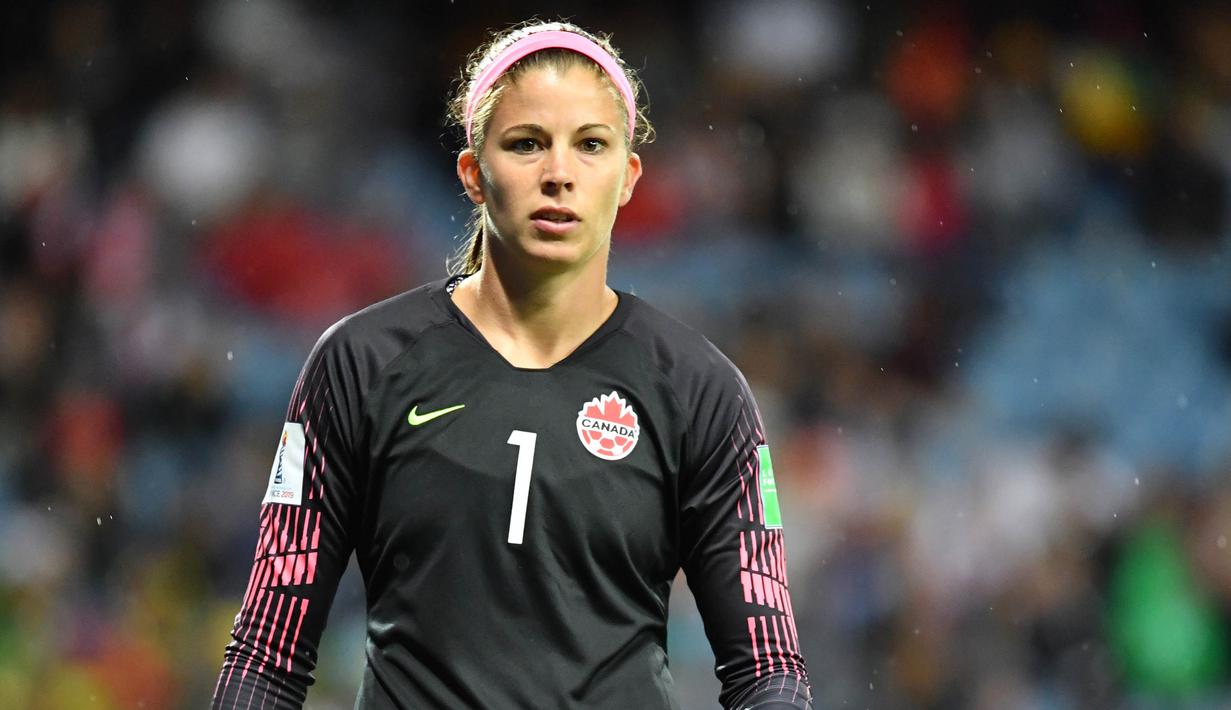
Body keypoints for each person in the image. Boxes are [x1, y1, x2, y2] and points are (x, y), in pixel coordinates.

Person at [212, 19, 811, 710]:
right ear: (473, 173)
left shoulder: (700, 391)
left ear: (627, 178)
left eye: (590, 145)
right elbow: (268, 652)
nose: (558, 174)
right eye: (527, 143)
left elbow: (768, 670)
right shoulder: (361, 365)